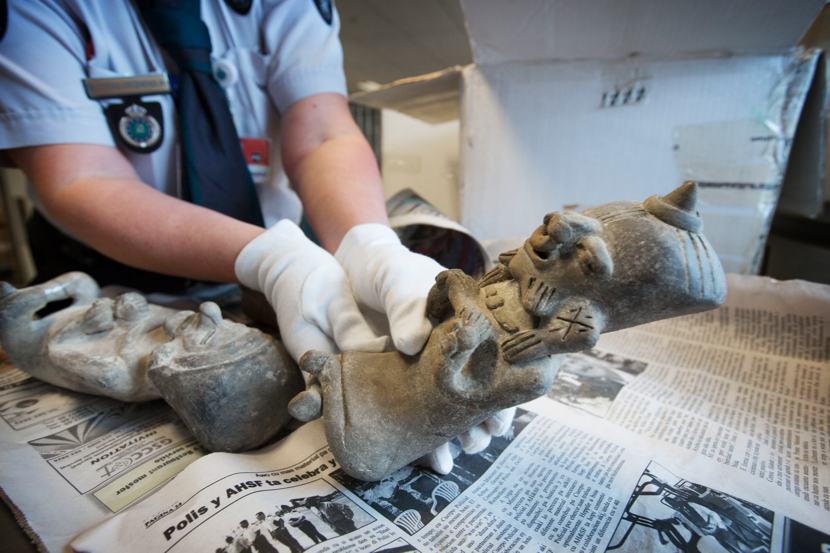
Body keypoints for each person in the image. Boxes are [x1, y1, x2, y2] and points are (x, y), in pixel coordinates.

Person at [0, 0, 511, 472]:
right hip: (111, 274)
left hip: (268, 284)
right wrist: (274, 259)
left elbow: (322, 134)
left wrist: (369, 246)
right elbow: (80, 178)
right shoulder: (37, 8)